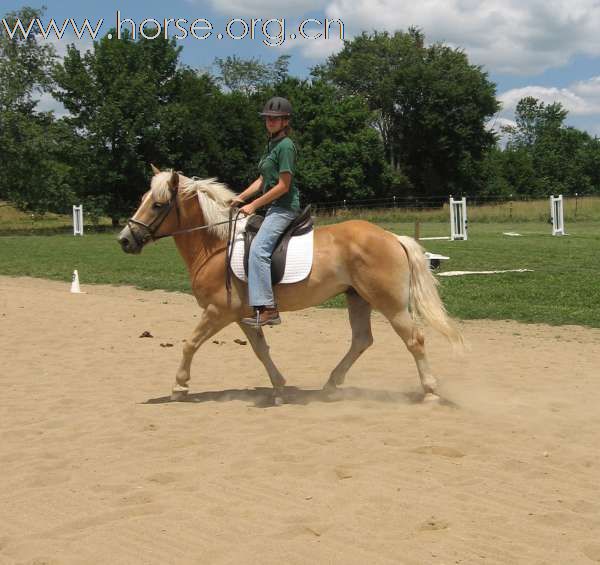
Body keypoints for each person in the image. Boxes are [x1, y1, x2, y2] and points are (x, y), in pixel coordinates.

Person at [230, 96, 300, 327]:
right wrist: (240, 197)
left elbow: (283, 185)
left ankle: (269, 309)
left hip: (284, 208)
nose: (270, 121)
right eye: (267, 118)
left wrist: (253, 205)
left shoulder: (286, 146)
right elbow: (262, 180)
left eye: (275, 118)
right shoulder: (271, 145)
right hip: (273, 208)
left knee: (258, 251)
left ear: (285, 121)